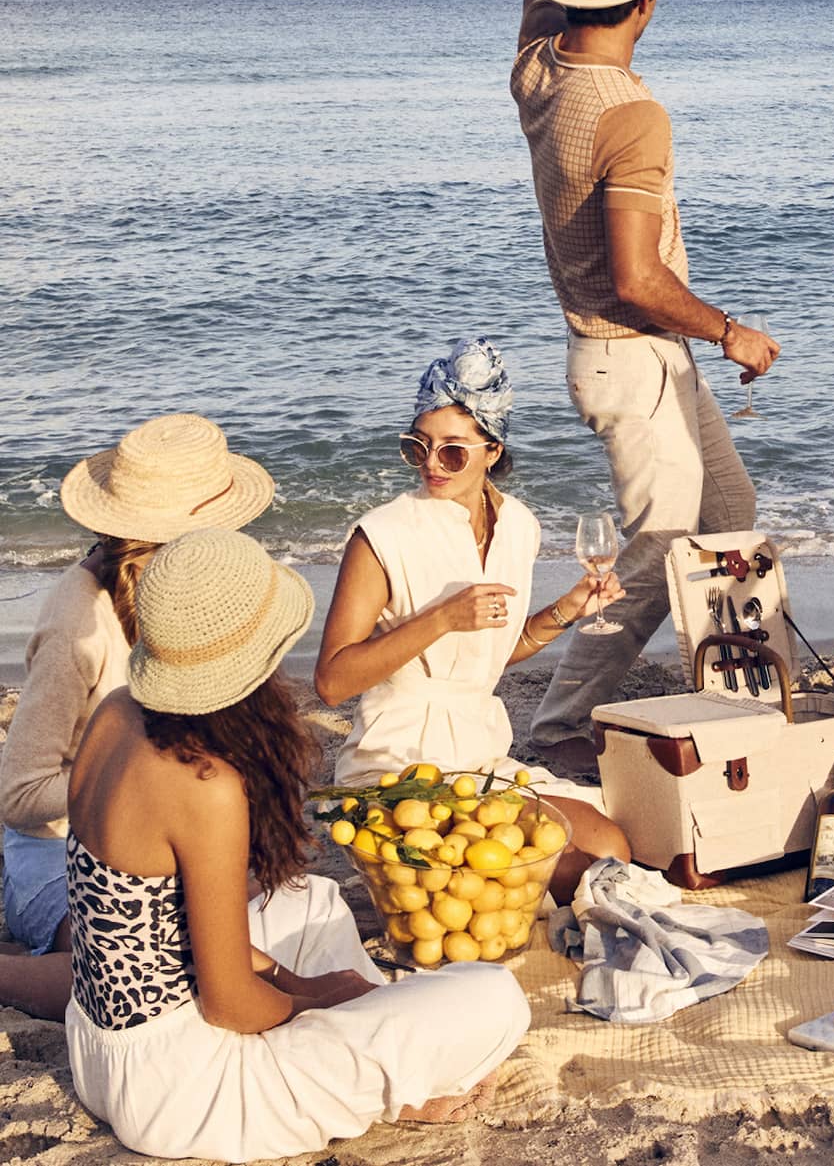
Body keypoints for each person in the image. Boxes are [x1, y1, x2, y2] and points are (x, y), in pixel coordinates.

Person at [64, 527, 530, 1160]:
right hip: (183, 1092)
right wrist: (316, 1000)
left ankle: (374, 1038)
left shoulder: (116, 711)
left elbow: (156, 934)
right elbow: (230, 1005)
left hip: (101, 1049)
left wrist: (305, 983)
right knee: (494, 996)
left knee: (312, 901)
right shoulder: (204, 781)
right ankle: (388, 1068)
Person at [511, 0, 777, 779]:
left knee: (729, 518)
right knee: (659, 548)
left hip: (635, 359)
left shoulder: (541, 62)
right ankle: (560, 724)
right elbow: (635, 275)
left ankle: (731, 692)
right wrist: (732, 327)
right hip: (633, 352)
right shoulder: (631, 112)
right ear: (647, 4)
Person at [314, 338, 631, 901]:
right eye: (420, 447)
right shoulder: (382, 536)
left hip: (479, 756)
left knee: (610, 847)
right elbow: (333, 681)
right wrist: (440, 618)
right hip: (395, 769)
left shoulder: (519, 527)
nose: (433, 465)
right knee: (567, 873)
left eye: (453, 451)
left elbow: (485, 658)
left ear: (493, 448)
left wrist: (566, 611)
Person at [0, 412, 273, 1022]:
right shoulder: (79, 625)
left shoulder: (184, 601)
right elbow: (16, 795)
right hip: (58, 853)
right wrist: (133, 790)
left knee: (252, 932)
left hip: (156, 835)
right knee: (147, 973)